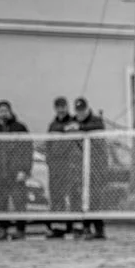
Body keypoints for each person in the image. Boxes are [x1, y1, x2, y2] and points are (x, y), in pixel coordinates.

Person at [0, 100, 32, 240]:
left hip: (15, 173)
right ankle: (2, 230)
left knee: (19, 202)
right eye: (1, 110)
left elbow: (27, 150)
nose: (3, 113)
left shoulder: (20, 128)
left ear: (10, 111)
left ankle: (20, 230)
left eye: (5, 110)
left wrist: (25, 170)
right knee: (0, 203)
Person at [44, 96, 82, 238]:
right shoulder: (53, 126)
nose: (61, 109)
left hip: (72, 166)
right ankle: (58, 227)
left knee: (75, 196)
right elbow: (48, 146)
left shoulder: (74, 123)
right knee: (57, 197)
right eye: (58, 106)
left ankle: (77, 226)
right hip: (57, 167)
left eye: (63, 106)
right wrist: (50, 162)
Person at [73, 97, 107, 239]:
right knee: (80, 198)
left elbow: (97, 128)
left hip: (95, 167)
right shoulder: (73, 121)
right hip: (78, 167)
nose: (80, 113)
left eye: (82, 110)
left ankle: (99, 229)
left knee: (95, 198)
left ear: (87, 109)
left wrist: (79, 128)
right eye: (78, 110)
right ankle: (85, 227)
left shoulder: (96, 121)